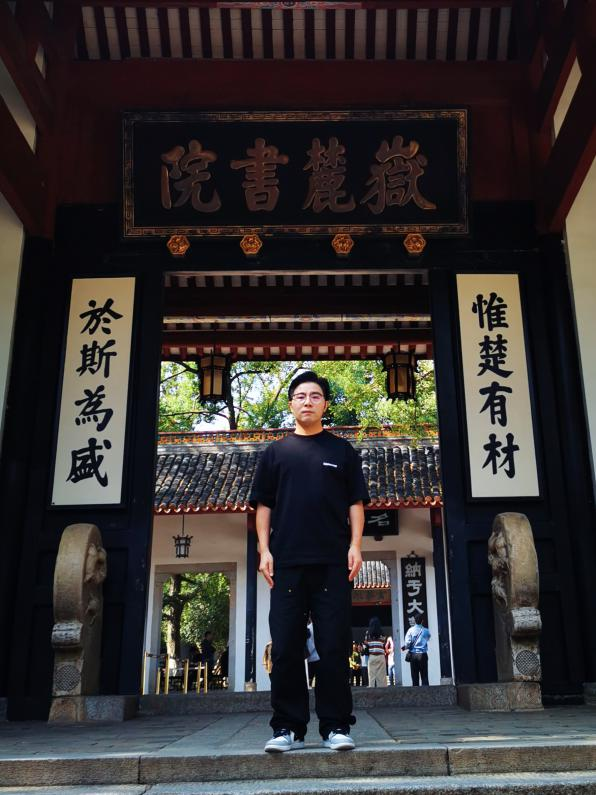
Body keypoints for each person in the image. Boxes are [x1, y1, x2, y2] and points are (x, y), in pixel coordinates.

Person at [250, 371, 370, 753]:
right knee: (286, 646)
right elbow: (263, 506)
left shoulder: (342, 451)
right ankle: (288, 727)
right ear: (291, 404)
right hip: (286, 563)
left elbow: (355, 503)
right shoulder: (276, 453)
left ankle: (336, 726)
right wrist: (264, 550)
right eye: (300, 396)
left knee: (334, 645)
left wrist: (355, 546)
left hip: (333, 562)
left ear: (325, 404)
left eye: (315, 396)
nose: (307, 401)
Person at [401, 614, 431, 686]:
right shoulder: (426, 631)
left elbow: (408, 644)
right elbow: (428, 638)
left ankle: (415, 691)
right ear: (422, 621)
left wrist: (404, 647)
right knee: (424, 676)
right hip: (423, 655)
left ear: (415, 621)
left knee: (415, 677)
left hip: (413, 655)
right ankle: (426, 692)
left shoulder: (410, 630)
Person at [366, 616, 387, 687]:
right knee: (382, 678)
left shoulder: (368, 633)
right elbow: (383, 643)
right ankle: (382, 692)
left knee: (371, 677)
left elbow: (366, 643)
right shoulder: (382, 633)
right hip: (381, 656)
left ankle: (371, 691)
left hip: (371, 656)